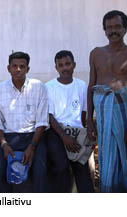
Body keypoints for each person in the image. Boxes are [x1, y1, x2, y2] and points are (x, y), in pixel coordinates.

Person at [87, 10, 127, 192]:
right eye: (109, 27)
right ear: (104, 30)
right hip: (103, 115)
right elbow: (91, 86)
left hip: (125, 115)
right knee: (107, 154)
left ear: (125, 29)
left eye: (117, 26)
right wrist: (89, 120)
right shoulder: (96, 54)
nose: (113, 31)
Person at [0, 51, 49, 193]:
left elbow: (41, 122)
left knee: (40, 173)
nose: (18, 69)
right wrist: (4, 144)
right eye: (14, 66)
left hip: (33, 137)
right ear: (8, 68)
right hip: (8, 138)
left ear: (28, 69)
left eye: (22, 66)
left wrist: (32, 146)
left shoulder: (39, 87)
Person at [45, 50, 94, 193]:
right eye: (60, 65)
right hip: (56, 131)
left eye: (67, 64)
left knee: (81, 168)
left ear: (74, 65)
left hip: (76, 131)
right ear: (56, 68)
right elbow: (50, 116)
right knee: (61, 167)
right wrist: (64, 137)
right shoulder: (49, 87)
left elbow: (84, 113)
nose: (64, 68)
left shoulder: (82, 86)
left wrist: (82, 134)